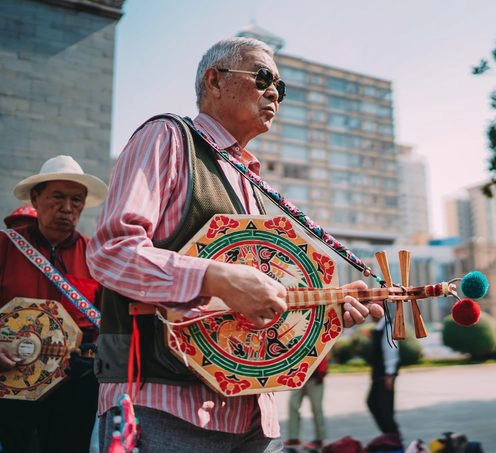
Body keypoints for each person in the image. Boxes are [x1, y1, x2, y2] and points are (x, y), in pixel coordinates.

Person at [86, 37, 384, 453]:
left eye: (280, 86)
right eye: (262, 77)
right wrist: (216, 277)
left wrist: (325, 303)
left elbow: (258, 302)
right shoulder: (168, 139)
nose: (274, 92)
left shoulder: (257, 185)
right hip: (164, 409)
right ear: (214, 80)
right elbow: (111, 251)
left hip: (255, 420)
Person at [0, 155, 107, 453]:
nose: (67, 208)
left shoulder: (95, 257)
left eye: (76, 200)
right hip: (11, 383)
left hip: (76, 388)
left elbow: (110, 323)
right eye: (57, 197)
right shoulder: (5, 245)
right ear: (36, 197)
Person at [284, 356, 329, 451]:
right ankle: (293, 438)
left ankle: (319, 439)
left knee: (316, 408)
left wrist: (322, 370)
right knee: (293, 405)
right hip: (298, 376)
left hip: (315, 377)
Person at [366, 316, 401, 441]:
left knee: (384, 409)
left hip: (385, 376)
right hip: (379, 375)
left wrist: (390, 374)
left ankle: (395, 439)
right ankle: (390, 437)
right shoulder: (380, 326)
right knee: (375, 404)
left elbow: (391, 350)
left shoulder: (387, 326)